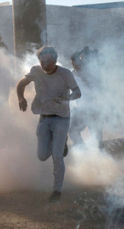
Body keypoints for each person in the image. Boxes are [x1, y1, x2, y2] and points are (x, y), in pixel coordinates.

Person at [16, 46, 81, 202]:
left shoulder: (65, 74)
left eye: (48, 61)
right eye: (41, 61)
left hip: (61, 118)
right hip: (44, 117)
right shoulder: (36, 71)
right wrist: (21, 98)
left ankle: (56, 192)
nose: (44, 64)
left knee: (57, 157)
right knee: (42, 155)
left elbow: (77, 92)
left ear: (55, 60)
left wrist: (67, 99)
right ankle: (60, 141)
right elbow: (21, 85)